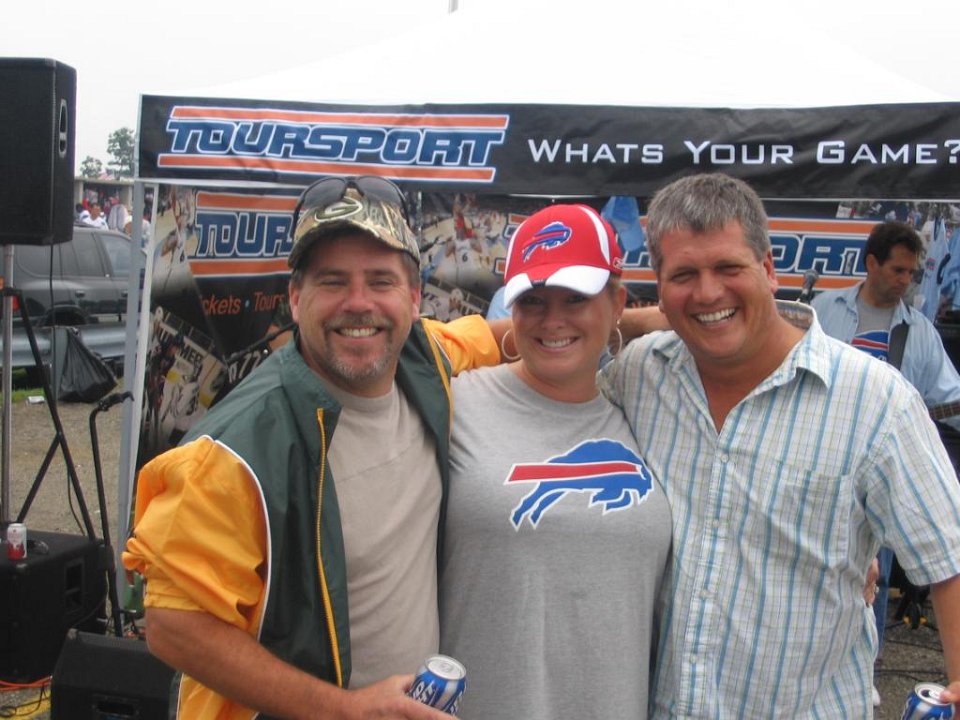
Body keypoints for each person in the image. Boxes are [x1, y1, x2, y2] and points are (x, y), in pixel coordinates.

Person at [123, 176, 500, 720]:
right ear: (296, 300)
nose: (359, 303)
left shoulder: (426, 358)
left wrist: (624, 323)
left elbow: (515, 335)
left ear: (415, 298)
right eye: (333, 281)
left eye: (381, 280)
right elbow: (173, 626)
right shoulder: (232, 454)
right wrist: (345, 710)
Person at [598, 173, 960, 718]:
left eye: (728, 268)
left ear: (768, 269)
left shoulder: (875, 401)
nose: (708, 292)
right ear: (660, 286)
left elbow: (948, 557)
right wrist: (619, 318)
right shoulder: (640, 373)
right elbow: (555, 359)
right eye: (684, 275)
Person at [439, 204, 672, 719]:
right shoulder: (456, 401)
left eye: (576, 298)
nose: (553, 320)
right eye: (533, 300)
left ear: (616, 302)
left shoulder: (649, 409)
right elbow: (395, 341)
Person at [812, 218, 960, 704]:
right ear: (871, 263)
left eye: (913, 273)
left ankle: (867, 668)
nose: (906, 281)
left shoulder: (919, 331)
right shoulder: (823, 310)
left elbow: (949, 395)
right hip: (820, 457)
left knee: (878, 565)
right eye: (898, 270)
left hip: (878, 471)